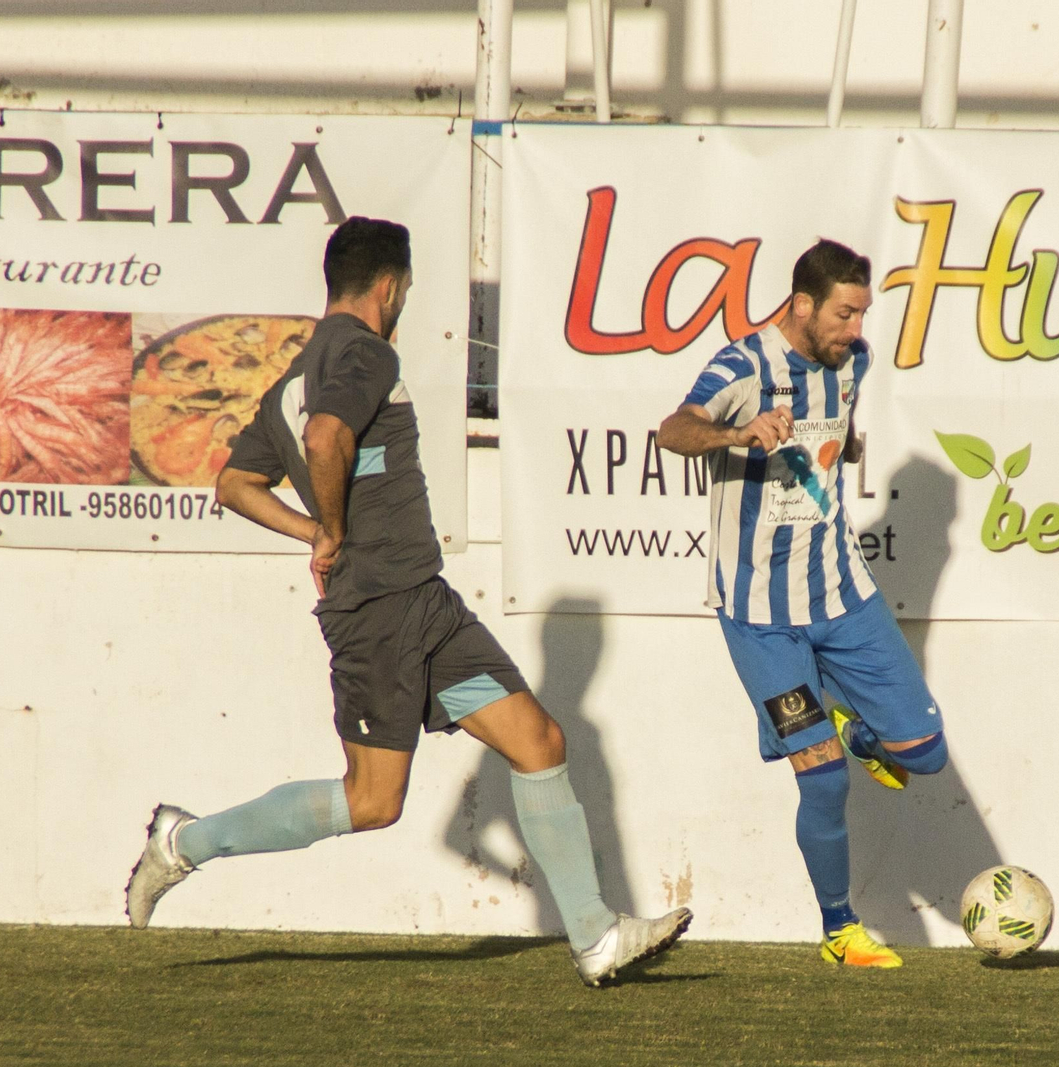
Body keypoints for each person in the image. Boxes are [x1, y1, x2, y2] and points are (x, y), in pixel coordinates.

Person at [125, 216, 689, 986]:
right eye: (408, 292)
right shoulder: (364, 352)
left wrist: (312, 533)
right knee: (372, 800)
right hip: (381, 611)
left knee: (539, 742)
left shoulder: (293, 375)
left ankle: (595, 936)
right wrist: (327, 529)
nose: (405, 305)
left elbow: (234, 484)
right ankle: (185, 842)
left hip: (423, 603)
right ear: (390, 287)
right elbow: (326, 441)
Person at [657, 239, 947, 969]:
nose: (856, 329)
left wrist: (845, 449)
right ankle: (839, 931)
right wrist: (735, 434)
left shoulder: (853, 362)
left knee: (927, 753)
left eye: (861, 314)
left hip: (844, 595)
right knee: (821, 777)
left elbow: (835, 428)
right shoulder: (743, 365)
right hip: (761, 617)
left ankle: (847, 721)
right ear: (802, 304)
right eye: (844, 314)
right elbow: (673, 430)